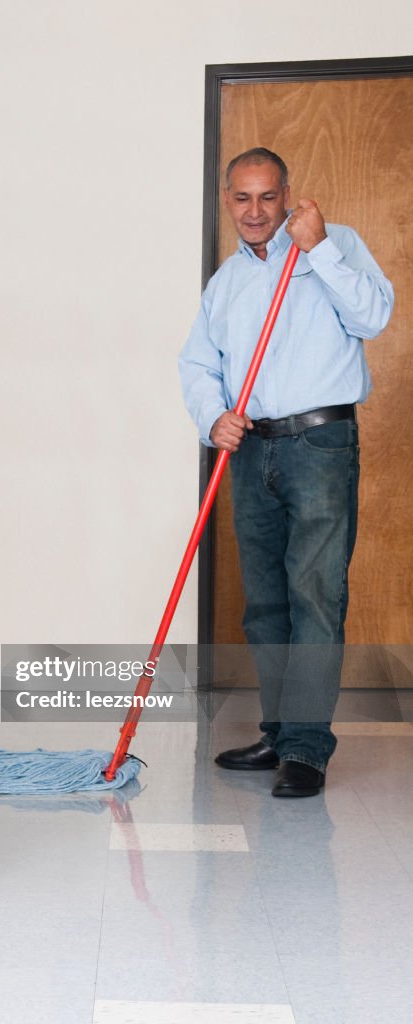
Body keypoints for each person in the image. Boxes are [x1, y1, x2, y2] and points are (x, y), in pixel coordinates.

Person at [179, 147, 394, 798]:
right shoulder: (226, 281)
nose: (254, 211)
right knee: (264, 604)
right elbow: (196, 364)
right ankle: (277, 731)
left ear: (287, 195)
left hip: (319, 444)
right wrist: (212, 416)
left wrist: (320, 249)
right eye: (241, 198)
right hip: (249, 449)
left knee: (313, 596)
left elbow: (372, 317)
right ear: (227, 201)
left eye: (266, 197)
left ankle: (305, 748)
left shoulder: (337, 246)